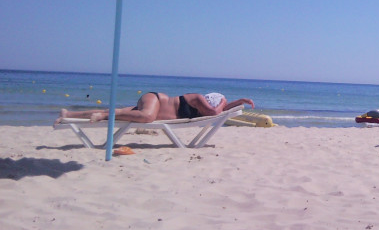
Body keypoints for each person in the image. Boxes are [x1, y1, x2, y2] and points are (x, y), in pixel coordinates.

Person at [55, 91, 255, 124]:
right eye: (219, 103)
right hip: (155, 99)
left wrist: (239, 102)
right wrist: (223, 101)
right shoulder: (197, 98)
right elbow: (214, 111)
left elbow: (218, 111)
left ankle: (69, 113)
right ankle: (103, 117)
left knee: (116, 111)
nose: (221, 106)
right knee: (147, 117)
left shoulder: (205, 108)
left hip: (150, 109)